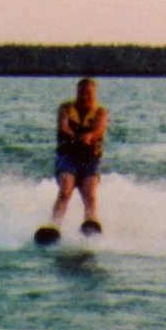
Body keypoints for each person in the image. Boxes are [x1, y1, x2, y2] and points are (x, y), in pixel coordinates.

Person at [50, 76, 108, 235]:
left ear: (94, 94)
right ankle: (54, 226)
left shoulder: (100, 112)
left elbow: (100, 129)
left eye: (88, 93)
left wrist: (90, 136)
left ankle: (91, 223)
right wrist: (77, 137)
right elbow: (64, 126)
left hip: (89, 160)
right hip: (67, 158)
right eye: (82, 93)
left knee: (90, 194)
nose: (85, 97)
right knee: (65, 191)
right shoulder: (65, 109)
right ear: (77, 92)